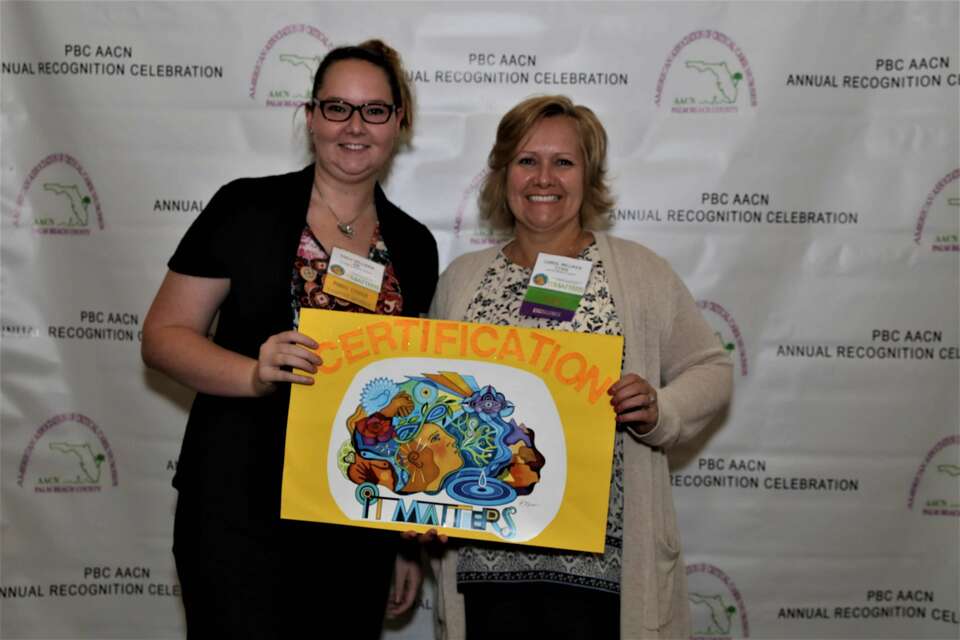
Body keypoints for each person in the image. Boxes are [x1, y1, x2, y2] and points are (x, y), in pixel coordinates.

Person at [142, 40, 438, 637]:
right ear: (311, 117)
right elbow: (163, 336)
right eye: (337, 107)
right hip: (237, 507)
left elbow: (410, 396)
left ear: (398, 121)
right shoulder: (245, 208)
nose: (354, 126)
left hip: (356, 516)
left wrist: (405, 536)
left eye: (374, 110)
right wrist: (251, 374)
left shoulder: (414, 245)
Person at [429, 95, 732, 639]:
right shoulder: (460, 281)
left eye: (563, 162)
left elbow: (710, 368)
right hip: (486, 565)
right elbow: (435, 407)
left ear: (588, 176)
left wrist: (659, 408)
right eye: (527, 160)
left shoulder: (640, 274)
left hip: (603, 571)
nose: (544, 178)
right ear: (502, 174)